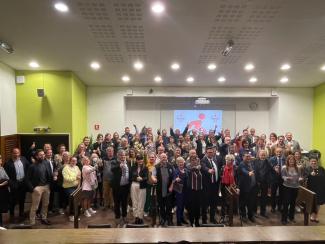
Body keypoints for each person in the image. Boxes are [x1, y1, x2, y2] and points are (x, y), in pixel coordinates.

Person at [26, 149, 52, 225]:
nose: (43, 156)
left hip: (46, 187)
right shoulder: (32, 166)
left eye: (43, 154)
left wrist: (50, 184)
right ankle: (32, 222)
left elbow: (49, 174)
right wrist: (33, 189)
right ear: (36, 156)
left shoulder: (46, 163)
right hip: (37, 188)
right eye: (41, 155)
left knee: (45, 204)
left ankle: (44, 218)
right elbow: (27, 179)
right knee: (35, 207)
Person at [4, 148, 29, 220]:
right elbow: (6, 176)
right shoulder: (8, 163)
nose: (16, 155)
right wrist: (11, 184)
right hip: (14, 184)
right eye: (15, 153)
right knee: (13, 201)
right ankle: (12, 214)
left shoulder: (23, 159)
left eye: (18, 153)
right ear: (12, 153)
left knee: (22, 199)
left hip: (23, 183)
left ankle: (21, 213)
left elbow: (28, 167)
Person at [151, 153, 174, 226]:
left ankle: (169, 220)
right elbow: (153, 175)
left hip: (168, 190)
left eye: (165, 157)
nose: (164, 159)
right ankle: (163, 219)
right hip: (160, 189)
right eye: (162, 157)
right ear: (160, 158)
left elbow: (174, 177)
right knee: (161, 205)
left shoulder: (170, 166)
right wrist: (154, 179)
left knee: (169, 206)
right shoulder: (156, 167)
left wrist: (171, 186)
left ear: (166, 158)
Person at [281, 155, 303, 225]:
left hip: (295, 187)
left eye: (293, 160)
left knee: (293, 203)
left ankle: (291, 217)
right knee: (286, 203)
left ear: (294, 161)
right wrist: (286, 178)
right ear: (287, 161)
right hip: (287, 187)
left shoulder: (298, 168)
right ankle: (284, 219)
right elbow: (282, 176)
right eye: (290, 160)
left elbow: (300, 176)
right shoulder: (284, 168)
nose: (291, 161)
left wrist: (300, 179)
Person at [111, 150, 131, 227]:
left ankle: (124, 216)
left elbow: (130, 172)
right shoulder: (114, 162)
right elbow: (112, 169)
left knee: (124, 202)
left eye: (124, 155)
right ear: (118, 156)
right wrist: (119, 165)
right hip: (117, 187)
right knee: (117, 203)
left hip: (125, 186)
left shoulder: (128, 162)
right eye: (121, 155)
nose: (123, 157)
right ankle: (117, 217)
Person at [200, 147, 220, 224]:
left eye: (211, 152)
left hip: (215, 185)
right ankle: (204, 220)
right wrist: (209, 170)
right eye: (209, 152)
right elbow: (204, 167)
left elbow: (217, 169)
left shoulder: (215, 160)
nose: (210, 153)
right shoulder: (203, 160)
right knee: (205, 204)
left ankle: (212, 218)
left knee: (213, 203)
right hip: (207, 186)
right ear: (206, 153)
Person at [238, 152, 258, 222]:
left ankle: (250, 216)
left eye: (249, 156)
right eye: (246, 156)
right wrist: (248, 173)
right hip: (244, 187)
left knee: (251, 202)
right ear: (243, 157)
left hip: (252, 187)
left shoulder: (252, 163)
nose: (248, 158)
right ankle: (243, 216)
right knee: (243, 202)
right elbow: (244, 171)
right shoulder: (242, 164)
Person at [130, 155, 148, 224]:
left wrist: (142, 179)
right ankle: (136, 217)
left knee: (141, 202)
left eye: (141, 159)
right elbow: (130, 177)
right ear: (136, 160)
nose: (140, 161)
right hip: (134, 185)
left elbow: (146, 177)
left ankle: (140, 217)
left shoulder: (145, 167)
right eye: (139, 159)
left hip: (142, 185)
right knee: (135, 201)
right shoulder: (133, 167)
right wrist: (135, 178)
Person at [306, 158, 325, 223]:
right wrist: (309, 174)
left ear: (317, 162)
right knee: (312, 202)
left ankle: (316, 216)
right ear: (309, 162)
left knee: (318, 203)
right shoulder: (307, 169)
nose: (313, 163)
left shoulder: (321, 168)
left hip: (320, 189)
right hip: (311, 189)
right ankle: (312, 215)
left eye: (315, 161)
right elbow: (304, 177)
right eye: (312, 161)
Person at [254, 150, 272, 218]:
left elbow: (270, 172)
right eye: (261, 155)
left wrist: (269, 184)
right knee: (255, 198)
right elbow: (254, 171)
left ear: (266, 155)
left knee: (264, 198)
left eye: (264, 155)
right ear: (259, 155)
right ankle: (254, 212)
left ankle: (263, 212)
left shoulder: (268, 162)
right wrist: (256, 181)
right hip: (256, 182)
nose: (263, 156)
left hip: (265, 183)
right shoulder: (255, 161)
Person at [62, 157, 81, 221]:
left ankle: (77, 215)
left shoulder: (77, 167)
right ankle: (71, 215)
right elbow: (67, 179)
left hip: (77, 187)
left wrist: (79, 185)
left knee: (78, 201)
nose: (74, 162)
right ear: (69, 161)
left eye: (75, 161)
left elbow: (80, 177)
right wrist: (75, 177)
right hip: (68, 187)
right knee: (73, 200)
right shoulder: (65, 168)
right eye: (72, 161)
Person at [186, 155, 203, 227]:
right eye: (192, 160)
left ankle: (197, 221)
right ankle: (191, 221)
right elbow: (190, 169)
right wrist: (197, 167)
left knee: (198, 207)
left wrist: (198, 167)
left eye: (195, 160)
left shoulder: (200, 168)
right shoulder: (187, 168)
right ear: (190, 161)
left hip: (199, 191)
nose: (194, 161)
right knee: (191, 207)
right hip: (191, 191)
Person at [171, 157, 188, 226]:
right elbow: (173, 179)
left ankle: (181, 218)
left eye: (182, 162)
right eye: (179, 162)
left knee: (183, 205)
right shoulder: (175, 171)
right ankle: (178, 221)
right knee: (179, 206)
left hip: (185, 190)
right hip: (179, 191)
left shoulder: (186, 170)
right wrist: (175, 179)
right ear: (177, 163)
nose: (181, 163)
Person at [220, 154, 237, 221]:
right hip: (224, 186)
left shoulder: (235, 168)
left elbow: (236, 178)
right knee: (223, 202)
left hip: (231, 186)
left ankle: (229, 216)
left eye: (229, 160)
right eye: (226, 159)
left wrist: (236, 186)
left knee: (230, 202)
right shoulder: (223, 167)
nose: (227, 161)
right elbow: (220, 176)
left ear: (232, 161)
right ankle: (223, 216)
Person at [269, 147, 286, 212]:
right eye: (277, 152)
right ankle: (273, 207)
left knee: (282, 193)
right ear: (275, 152)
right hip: (274, 179)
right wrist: (274, 168)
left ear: (282, 152)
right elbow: (269, 168)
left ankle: (280, 206)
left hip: (282, 179)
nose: (279, 153)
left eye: (280, 152)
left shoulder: (285, 159)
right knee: (273, 193)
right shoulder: (271, 159)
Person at [0, 155, 9, 227]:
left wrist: (2, 184)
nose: (1, 159)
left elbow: (7, 179)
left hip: (3, 190)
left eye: (0, 157)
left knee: (2, 207)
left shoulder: (2, 168)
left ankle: (1, 224)